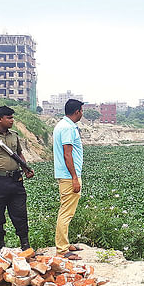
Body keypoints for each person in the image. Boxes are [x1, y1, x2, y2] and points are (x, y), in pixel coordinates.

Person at [0, 106, 34, 251]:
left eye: (12, 117)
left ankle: (25, 245)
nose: (12, 120)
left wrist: (25, 168)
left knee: (20, 213)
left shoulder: (14, 135)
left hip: (16, 180)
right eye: (9, 118)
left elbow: (19, 154)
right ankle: (1, 247)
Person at [53, 99, 84, 260]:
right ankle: (62, 250)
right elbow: (67, 154)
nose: (82, 114)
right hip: (68, 176)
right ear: (77, 111)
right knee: (66, 213)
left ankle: (64, 243)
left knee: (66, 211)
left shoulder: (63, 125)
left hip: (66, 175)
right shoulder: (67, 128)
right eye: (81, 111)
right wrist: (74, 178)